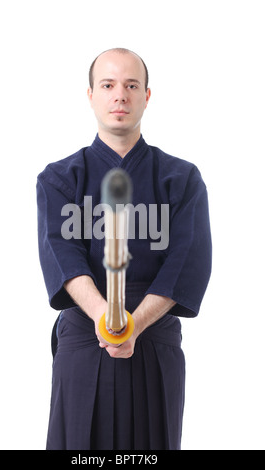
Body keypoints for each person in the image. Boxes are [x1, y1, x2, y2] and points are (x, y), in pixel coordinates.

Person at [37, 48, 212, 450]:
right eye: (109, 85)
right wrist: (105, 318)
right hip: (85, 334)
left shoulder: (181, 179)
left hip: (153, 335)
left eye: (132, 85)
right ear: (91, 95)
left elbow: (188, 259)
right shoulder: (59, 178)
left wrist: (134, 323)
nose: (120, 95)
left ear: (147, 96)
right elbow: (61, 251)